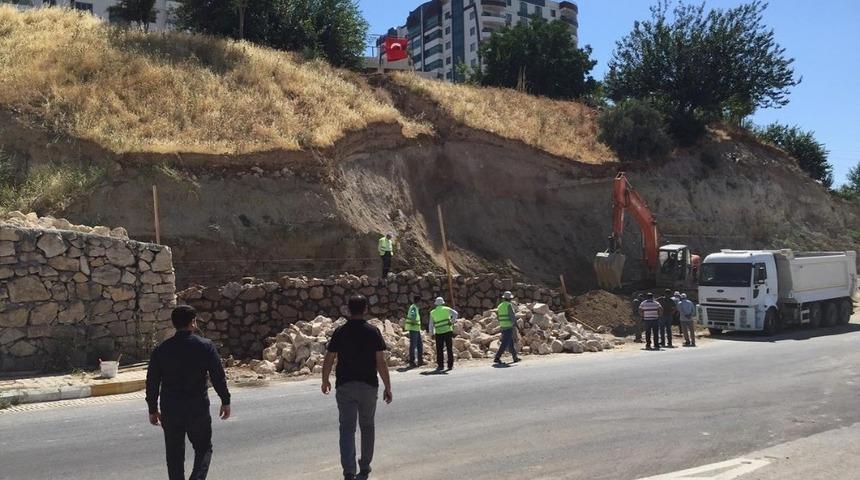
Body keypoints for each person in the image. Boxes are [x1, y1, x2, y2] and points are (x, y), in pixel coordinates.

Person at [146, 305, 231, 480]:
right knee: (204, 448)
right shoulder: (205, 346)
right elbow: (217, 376)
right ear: (193, 322)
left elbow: (152, 382)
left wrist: (152, 409)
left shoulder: (161, 350)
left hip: (171, 410)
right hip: (197, 408)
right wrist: (225, 400)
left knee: (174, 454)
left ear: (174, 324)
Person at [322, 295, 393, 480]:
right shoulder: (373, 332)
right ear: (365, 309)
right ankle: (365, 466)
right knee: (367, 426)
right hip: (368, 386)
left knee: (347, 428)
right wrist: (388, 386)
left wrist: (325, 380)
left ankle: (349, 471)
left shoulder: (340, 332)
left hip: (345, 385)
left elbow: (329, 358)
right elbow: (380, 362)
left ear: (348, 309)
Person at [429, 296, 458, 372]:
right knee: (449, 348)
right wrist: (451, 322)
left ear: (436, 304)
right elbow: (455, 314)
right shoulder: (447, 309)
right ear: (442, 303)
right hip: (448, 331)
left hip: (438, 332)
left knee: (439, 350)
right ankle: (450, 365)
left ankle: (440, 365)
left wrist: (431, 333)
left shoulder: (432, 312)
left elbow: (431, 324)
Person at [493, 291, 521, 364]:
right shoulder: (509, 305)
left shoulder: (500, 306)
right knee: (505, 343)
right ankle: (497, 357)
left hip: (502, 326)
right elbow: (512, 316)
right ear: (509, 299)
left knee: (510, 342)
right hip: (508, 326)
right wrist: (516, 324)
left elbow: (498, 317)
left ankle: (515, 357)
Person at [404, 295, 424, 367]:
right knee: (413, 345)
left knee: (419, 345)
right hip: (414, 329)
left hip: (416, 329)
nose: (421, 303)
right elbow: (413, 316)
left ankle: (420, 361)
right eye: (420, 301)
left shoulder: (414, 307)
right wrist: (414, 322)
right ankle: (412, 361)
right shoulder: (414, 308)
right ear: (418, 301)